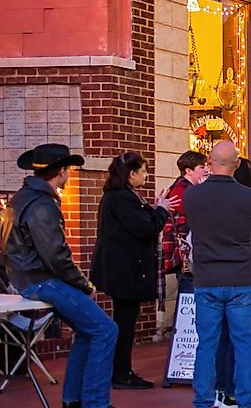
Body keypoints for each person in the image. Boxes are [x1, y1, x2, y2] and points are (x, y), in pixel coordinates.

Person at [6, 144, 117, 408]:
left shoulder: (23, 197)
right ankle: (95, 402)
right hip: (40, 279)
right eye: (68, 169)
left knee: (87, 330)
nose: (69, 175)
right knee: (105, 329)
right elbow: (56, 256)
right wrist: (83, 284)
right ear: (61, 171)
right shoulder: (42, 204)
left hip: (28, 277)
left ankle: (74, 399)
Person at [185, 140, 251, 408]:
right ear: (238, 164)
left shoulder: (193, 195)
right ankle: (245, 400)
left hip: (207, 278)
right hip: (240, 277)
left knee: (206, 344)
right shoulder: (250, 196)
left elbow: (193, 228)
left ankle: (204, 400)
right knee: (243, 344)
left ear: (209, 161)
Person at [91, 151, 174, 389]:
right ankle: (121, 372)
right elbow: (146, 227)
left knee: (126, 322)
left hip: (124, 269)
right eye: (143, 171)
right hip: (124, 271)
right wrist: (161, 210)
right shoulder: (120, 199)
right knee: (125, 324)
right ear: (131, 174)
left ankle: (122, 370)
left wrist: (155, 208)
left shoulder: (122, 197)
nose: (146, 175)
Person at [213, 156, 251, 403]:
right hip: (244, 276)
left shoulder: (207, 202)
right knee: (241, 339)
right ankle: (238, 394)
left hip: (212, 277)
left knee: (217, 339)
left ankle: (218, 390)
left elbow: (194, 243)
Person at [160, 150, 209, 334]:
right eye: (201, 167)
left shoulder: (185, 189)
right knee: (188, 295)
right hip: (185, 255)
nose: (205, 171)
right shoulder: (184, 191)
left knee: (188, 293)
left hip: (185, 253)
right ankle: (182, 336)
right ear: (188, 170)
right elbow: (199, 215)